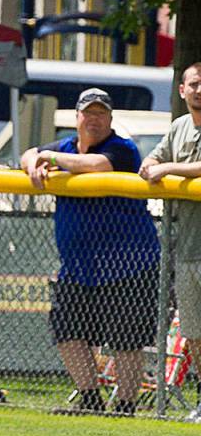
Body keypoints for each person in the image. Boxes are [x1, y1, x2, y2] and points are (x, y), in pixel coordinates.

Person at [21, 88, 160, 416]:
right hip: (79, 267)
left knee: (126, 339)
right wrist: (33, 163)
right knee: (67, 332)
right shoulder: (66, 146)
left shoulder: (121, 148)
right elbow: (28, 153)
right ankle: (90, 398)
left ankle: (125, 405)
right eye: (89, 113)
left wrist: (50, 159)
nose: (94, 119)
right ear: (77, 117)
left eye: (101, 113)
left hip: (129, 263)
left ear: (110, 119)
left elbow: (98, 165)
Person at [139, 63, 201, 421]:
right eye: (193, 84)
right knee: (194, 333)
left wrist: (167, 170)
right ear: (182, 90)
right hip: (189, 248)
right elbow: (155, 158)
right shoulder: (178, 127)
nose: (199, 89)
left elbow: (167, 167)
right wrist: (152, 164)